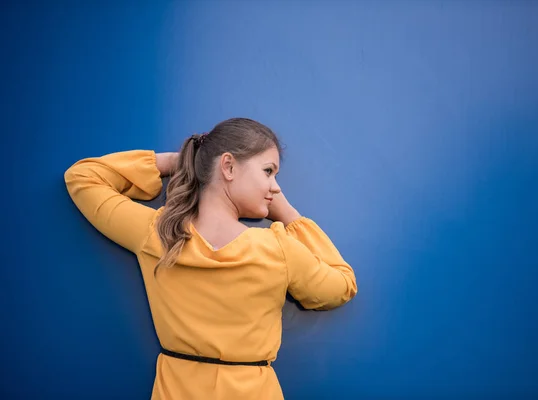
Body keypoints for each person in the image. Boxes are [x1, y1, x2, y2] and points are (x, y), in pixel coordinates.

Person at [64, 117, 358, 399]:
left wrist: (176, 162)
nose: (276, 187)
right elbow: (341, 286)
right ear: (228, 166)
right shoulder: (279, 249)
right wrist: (289, 214)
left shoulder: (157, 234)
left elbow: (83, 177)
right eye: (268, 171)